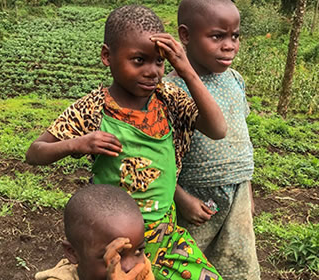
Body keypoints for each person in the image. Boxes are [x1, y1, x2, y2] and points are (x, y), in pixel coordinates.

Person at [27, 5, 226, 280]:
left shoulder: (169, 101)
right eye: (138, 60)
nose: (152, 71)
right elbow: (35, 152)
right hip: (111, 242)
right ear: (107, 56)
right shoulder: (93, 108)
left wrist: (187, 70)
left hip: (163, 235)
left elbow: (218, 128)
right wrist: (80, 143)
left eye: (159, 61)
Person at [164, 0, 260, 279]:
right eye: (217, 36)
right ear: (185, 35)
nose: (229, 45)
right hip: (196, 197)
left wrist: (247, 190)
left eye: (235, 36)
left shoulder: (235, 80)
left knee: (238, 263)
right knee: (188, 264)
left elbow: (242, 137)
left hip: (237, 192)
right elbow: (161, 153)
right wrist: (180, 198)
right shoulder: (172, 90)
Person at [34, 184, 155, 280]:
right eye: (113, 256)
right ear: (73, 253)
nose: (129, 265)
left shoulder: (140, 268)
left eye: (138, 250)